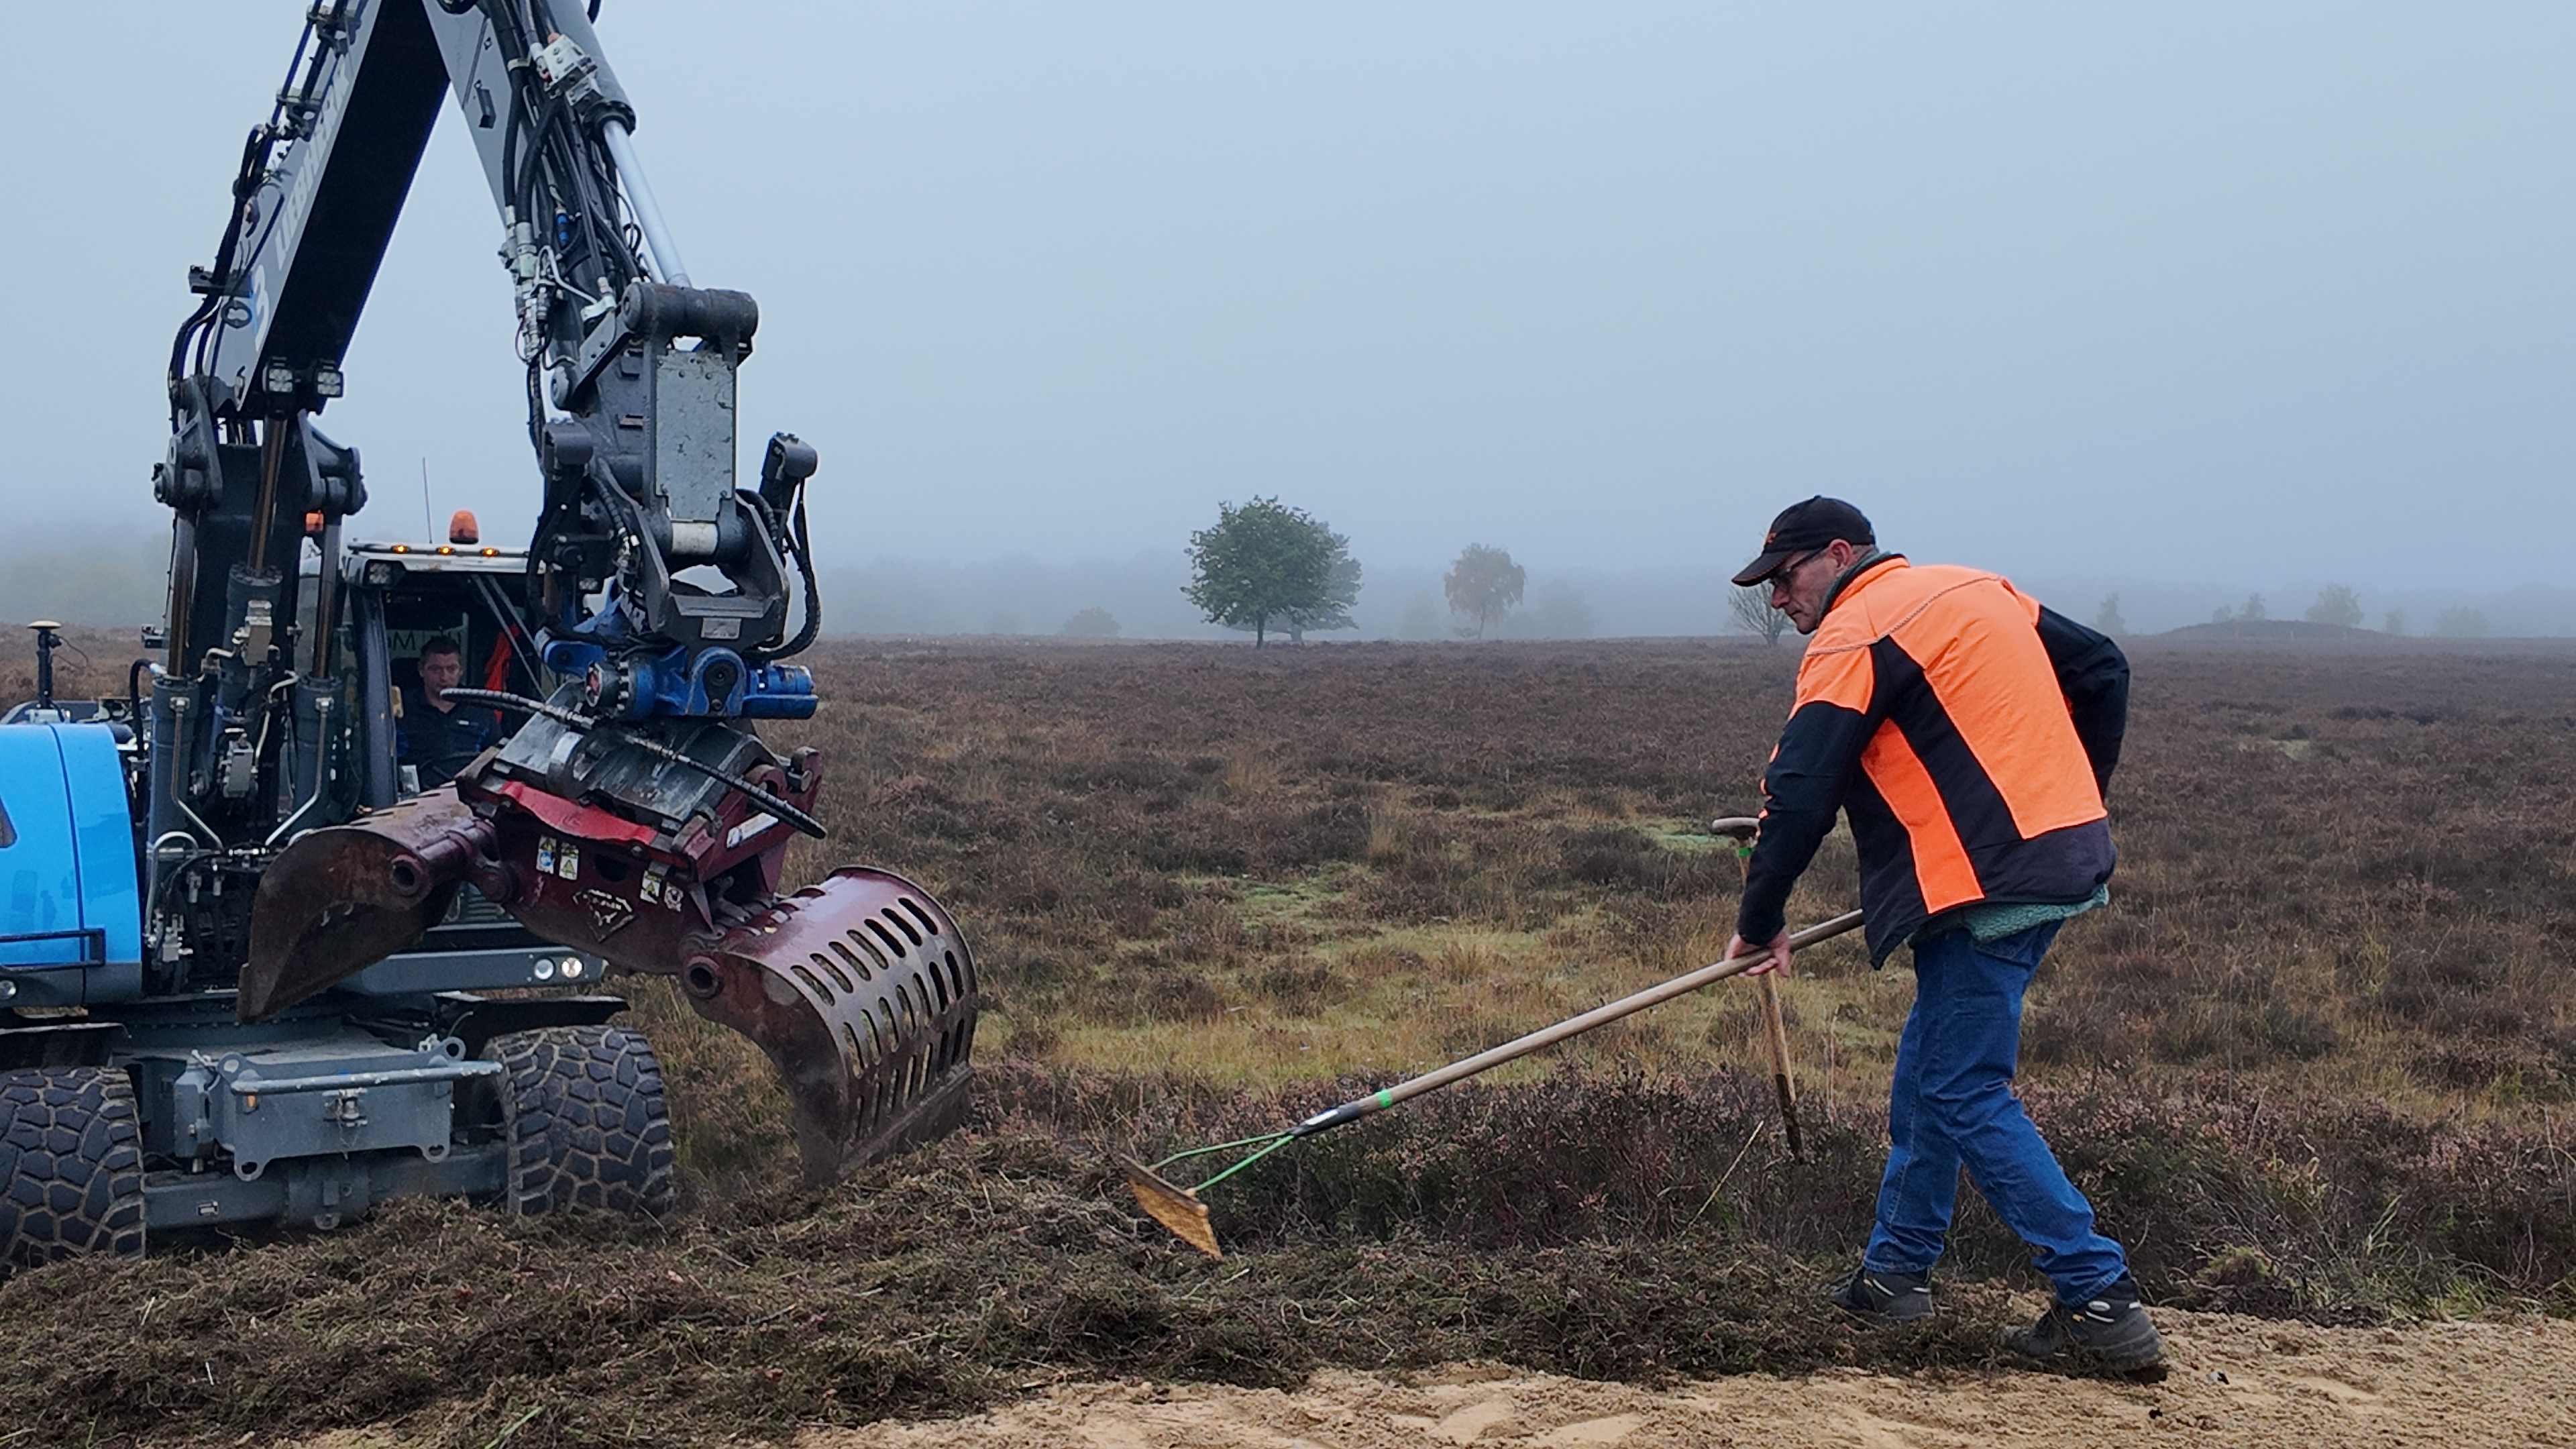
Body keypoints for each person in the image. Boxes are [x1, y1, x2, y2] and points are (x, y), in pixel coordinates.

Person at [1722, 496, 2160, 1373]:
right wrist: (2069, 802)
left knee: (1963, 1090)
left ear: (1839, 554)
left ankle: (2098, 1299)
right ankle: (1895, 1277)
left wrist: (1759, 923)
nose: (1777, 597)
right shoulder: (1975, 589)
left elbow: (1801, 794)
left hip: (1985, 886)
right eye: (1767, 584)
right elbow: (2103, 669)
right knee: (1930, 1079)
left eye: (1786, 575)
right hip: (2055, 860)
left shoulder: (1851, 636)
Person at [396, 636, 497, 788]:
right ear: (421, 670)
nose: (444, 677)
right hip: (417, 799)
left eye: (451, 669)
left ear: (461, 670)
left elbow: (496, 756)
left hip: (471, 796)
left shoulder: (480, 709)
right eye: (435, 669)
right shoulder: (401, 710)